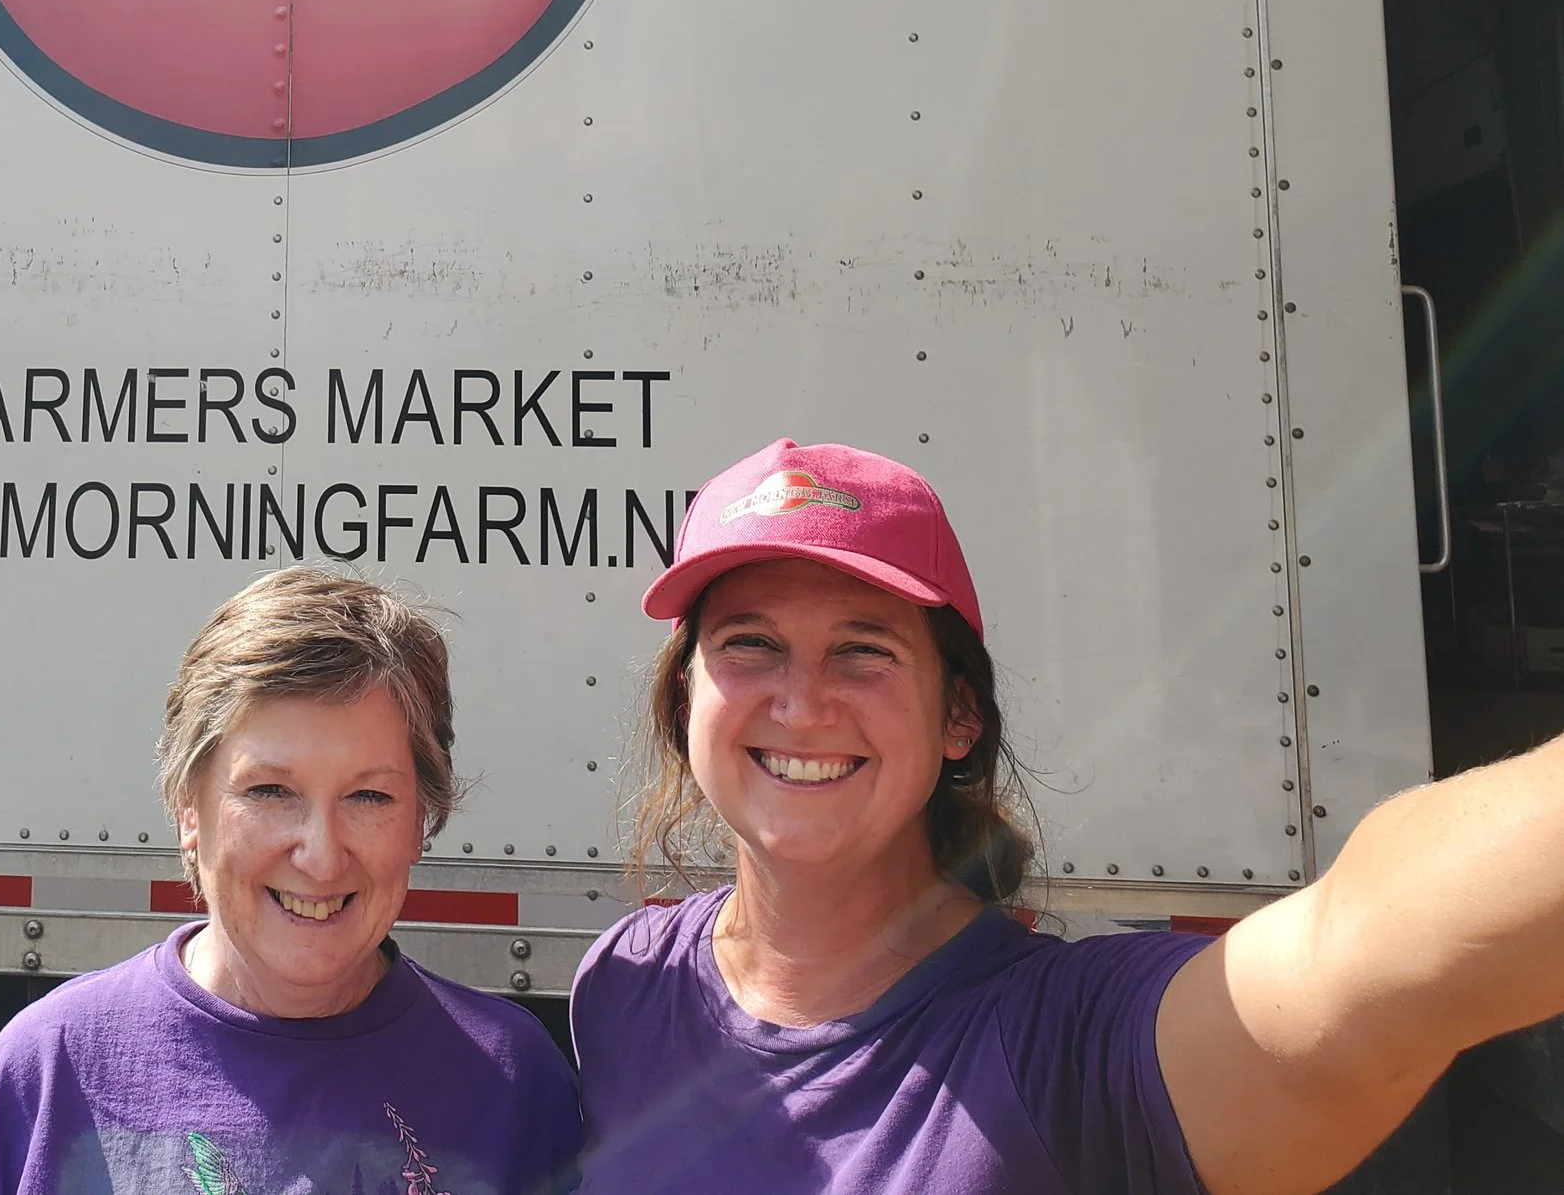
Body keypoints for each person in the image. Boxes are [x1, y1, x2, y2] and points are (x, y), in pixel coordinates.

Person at [572, 436, 1564, 1195]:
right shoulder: (621, 985)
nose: (801, 702)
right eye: (749, 644)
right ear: (683, 700)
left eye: (863, 649)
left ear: (957, 714)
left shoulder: (1072, 1051)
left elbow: (1364, 944)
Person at [0, 565, 581, 1195]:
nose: (321, 857)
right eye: (270, 790)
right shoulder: (52, 1067)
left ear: (422, 820)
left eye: (370, 796)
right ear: (189, 808)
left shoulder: (513, 1083)